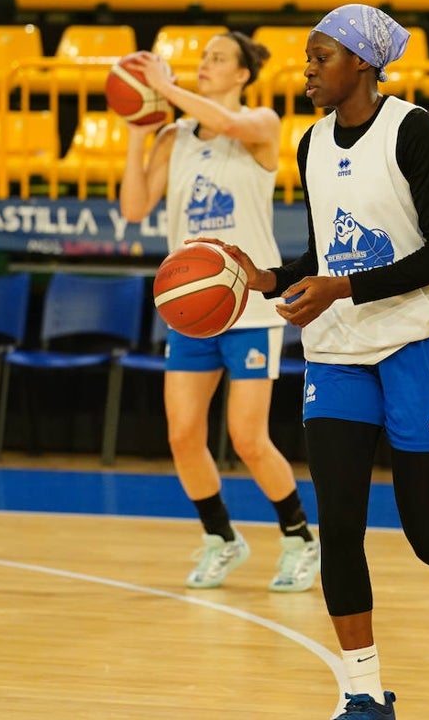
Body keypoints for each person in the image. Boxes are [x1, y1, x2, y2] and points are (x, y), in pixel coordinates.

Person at [214, 5, 429, 718]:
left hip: (413, 342)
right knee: (340, 525)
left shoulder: (416, 133)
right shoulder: (310, 144)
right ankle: (365, 696)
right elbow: (324, 257)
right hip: (336, 353)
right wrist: (266, 275)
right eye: (308, 58)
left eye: (321, 57)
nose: (308, 71)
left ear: (362, 64)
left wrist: (344, 286)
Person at [118, 31, 320, 594]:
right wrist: (139, 133)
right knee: (183, 433)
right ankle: (220, 537)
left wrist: (163, 88)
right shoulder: (174, 137)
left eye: (217, 59)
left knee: (247, 437)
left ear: (242, 75)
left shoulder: (262, 122)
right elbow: (135, 208)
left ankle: (301, 538)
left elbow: (228, 126)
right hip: (190, 308)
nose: (204, 65)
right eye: (201, 58)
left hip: (249, 305)